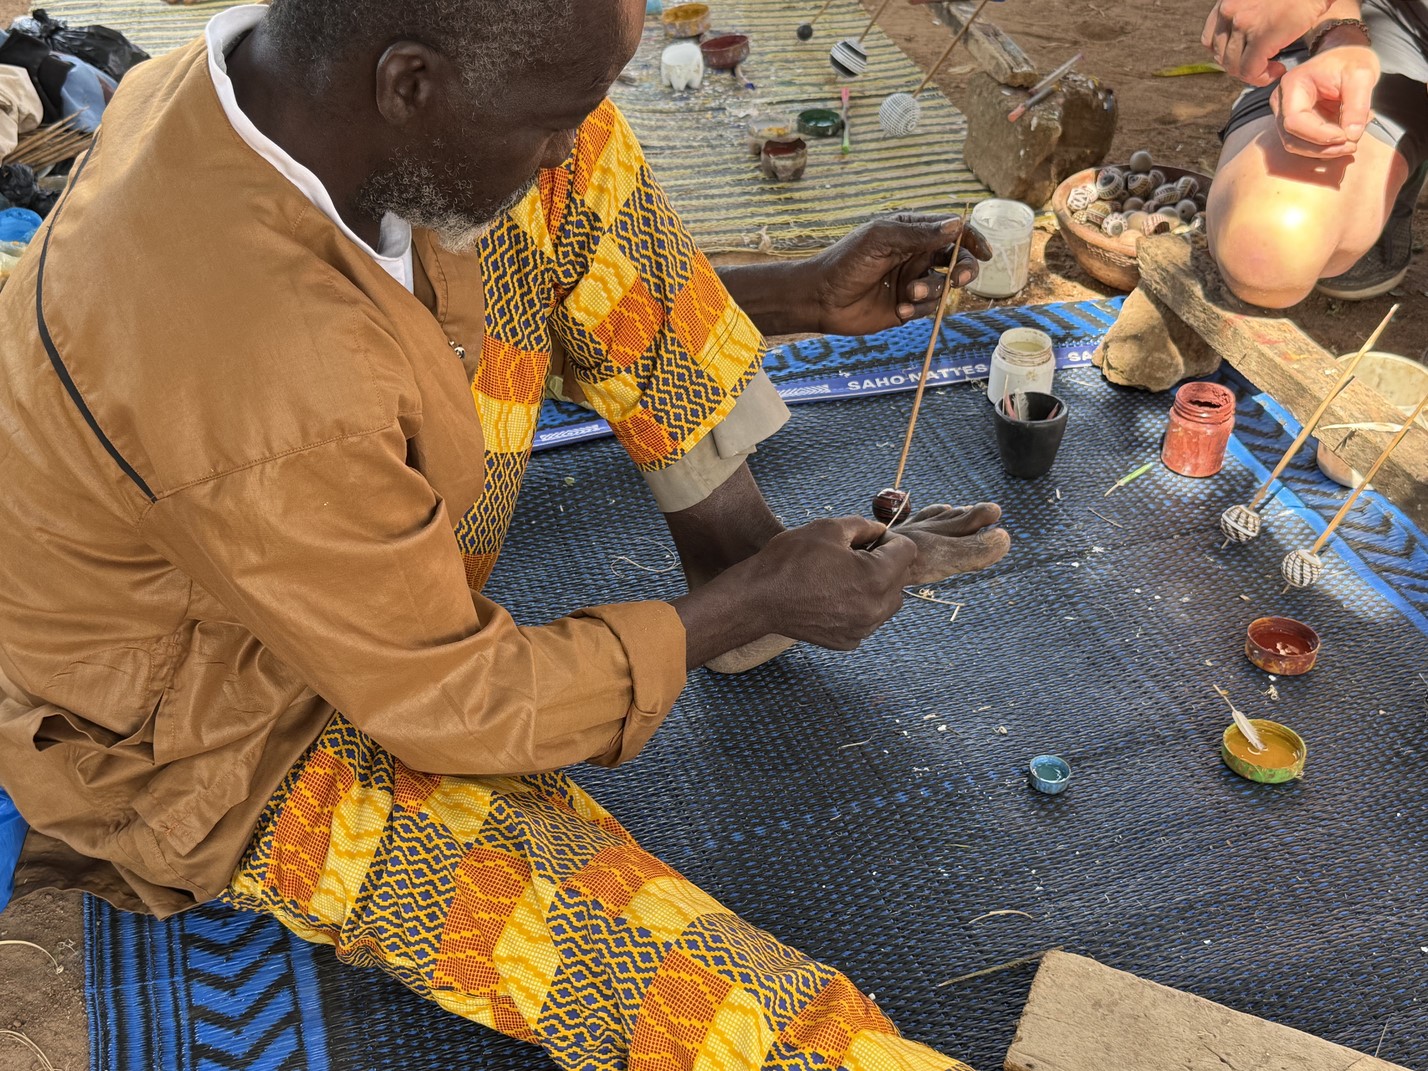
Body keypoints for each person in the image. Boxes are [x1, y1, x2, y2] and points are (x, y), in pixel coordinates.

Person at [0, 1, 1011, 1067]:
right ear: (408, 84)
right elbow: (457, 704)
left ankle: (731, 547)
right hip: (228, 736)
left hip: (311, 523)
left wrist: (797, 292)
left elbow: (464, 265)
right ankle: (746, 587)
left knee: (574, 173)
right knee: (722, 1010)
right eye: (544, 118)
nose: (562, 140)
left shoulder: (255, 83)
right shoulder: (267, 376)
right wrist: (755, 603)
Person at [1204, 0, 1428, 307]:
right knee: (1270, 246)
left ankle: (1401, 149)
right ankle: (1397, 162)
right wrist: (1336, 35)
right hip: (1396, 16)